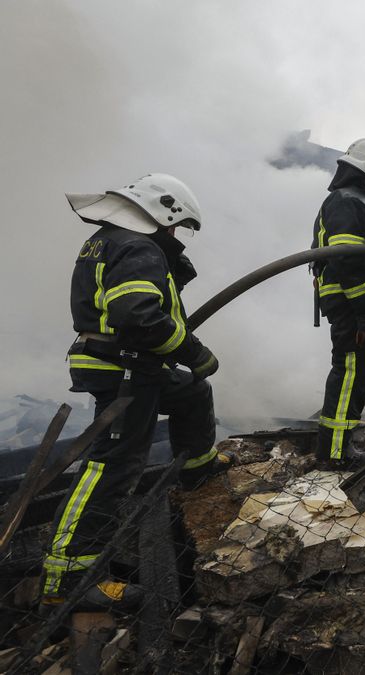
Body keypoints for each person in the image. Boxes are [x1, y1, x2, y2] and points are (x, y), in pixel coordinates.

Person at [45, 174, 230, 611]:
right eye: (173, 226)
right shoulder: (138, 246)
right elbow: (137, 315)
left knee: (191, 394)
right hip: (123, 367)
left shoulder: (109, 239)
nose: (173, 236)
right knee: (115, 465)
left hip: (127, 363)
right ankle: (68, 577)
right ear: (159, 211)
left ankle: (198, 471)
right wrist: (194, 350)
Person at [310, 138, 365, 468]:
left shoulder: (352, 200)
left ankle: (340, 444)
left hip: (350, 300)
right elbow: (346, 258)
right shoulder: (348, 202)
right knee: (350, 372)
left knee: (360, 373)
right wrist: (363, 313)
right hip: (348, 301)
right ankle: (333, 453)